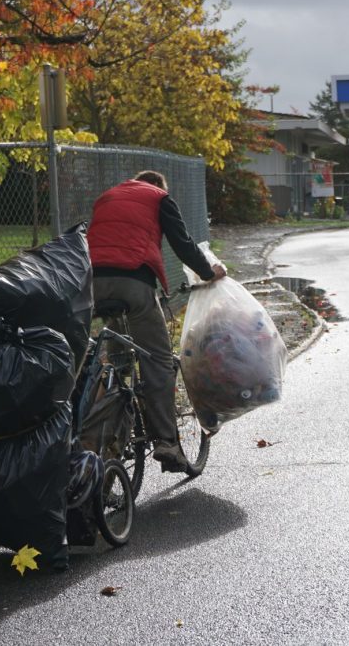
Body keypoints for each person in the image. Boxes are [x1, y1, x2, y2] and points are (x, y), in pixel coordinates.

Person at [86, 170, 226, 473]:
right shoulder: (160, 198)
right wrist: (207, 272)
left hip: (91, 285)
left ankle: (103, 407)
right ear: (159, 188)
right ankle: (166, 442)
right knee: (159, 360)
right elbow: (183, 244)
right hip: (134, 282)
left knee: (114, 351)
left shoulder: (107, 197)